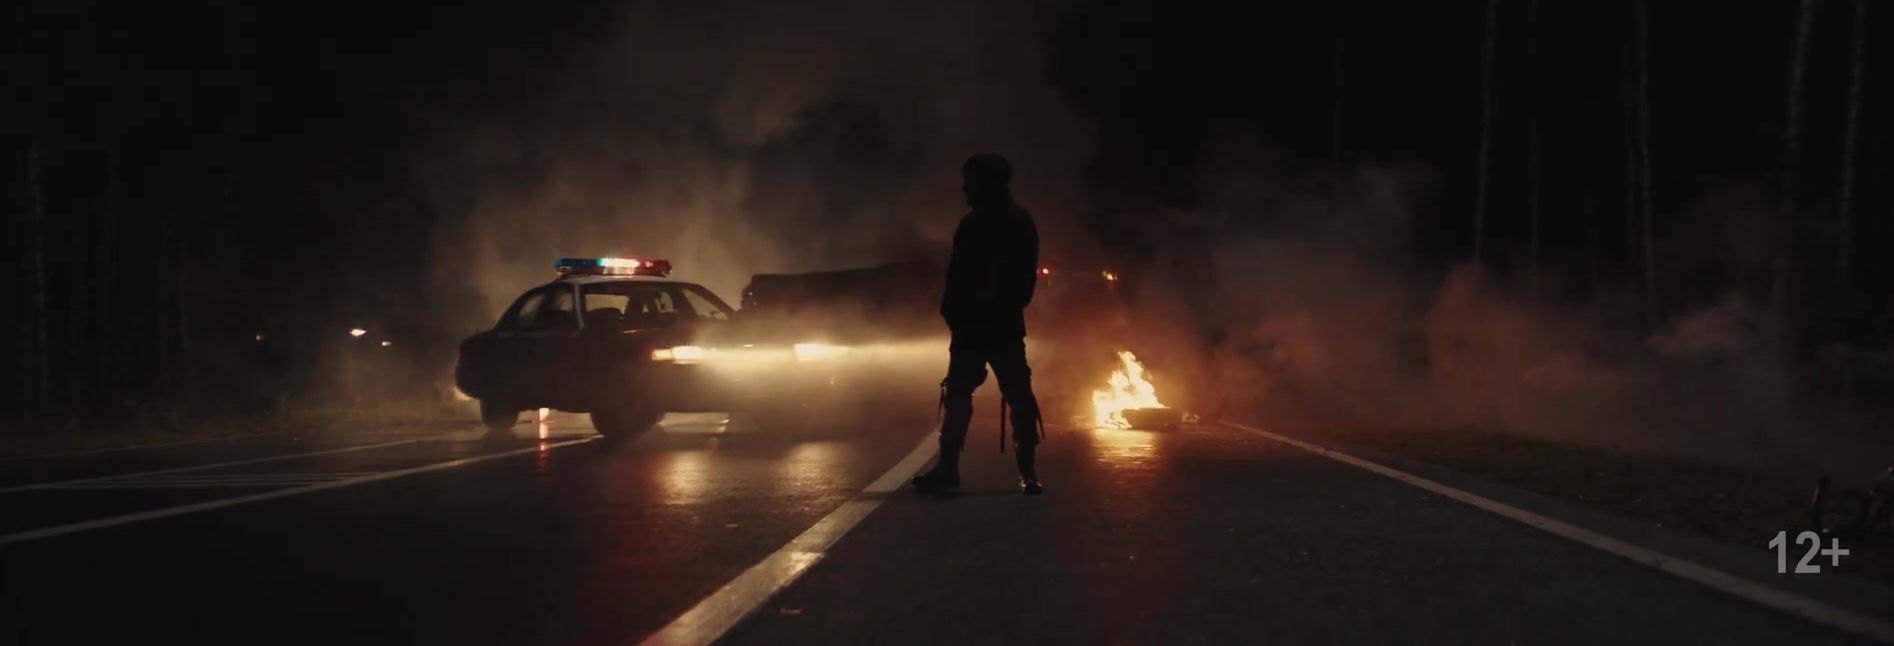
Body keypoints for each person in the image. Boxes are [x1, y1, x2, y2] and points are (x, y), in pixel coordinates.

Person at [913, 153, 1045, 495]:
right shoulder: (989, 223)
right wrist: (953, 312)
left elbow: (1021, 279)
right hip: (982, 325)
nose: (965, 188)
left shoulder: (1008, 223)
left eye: (971, 181)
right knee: (971, 395)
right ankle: (956, 469)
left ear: (988, 183)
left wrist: (967, 310)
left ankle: (1024, 472)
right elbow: (958, 275)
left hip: (993, 325)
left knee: (1007, 396)